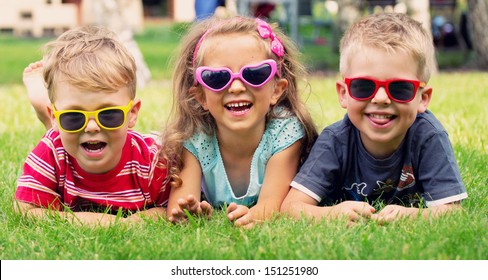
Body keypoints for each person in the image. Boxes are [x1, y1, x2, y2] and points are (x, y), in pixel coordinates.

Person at [281, 13, 467, 225]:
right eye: (363, 86)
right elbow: (291, 207)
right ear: (344, 93)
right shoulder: (334, 141)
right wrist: (332, 214)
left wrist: (412, 216)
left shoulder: (428, 137)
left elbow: (452, 212)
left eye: (400, 88)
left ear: (422, 98)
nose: (381, 98)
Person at [160, 16, 317, 228]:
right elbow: (179, 206)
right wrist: (189, 213)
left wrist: (252, 216)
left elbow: (269, 207)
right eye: (217, 78)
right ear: (201, 97)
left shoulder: (285, 133)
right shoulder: (194, 138)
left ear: (276, 90)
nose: (235, 88)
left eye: (254, 74)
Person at [14, 26, 170, 226]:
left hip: (155, 141)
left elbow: (172, 208)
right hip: (59, 135)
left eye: (109, 115)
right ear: (56, 117)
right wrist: (104, 221)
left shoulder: (151, 160)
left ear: (132, 114)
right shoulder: (52, 151)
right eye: (74, 117)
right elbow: (25, 210)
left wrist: (135, 221)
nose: (92, 127)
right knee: (58, 137)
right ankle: (45, 106)